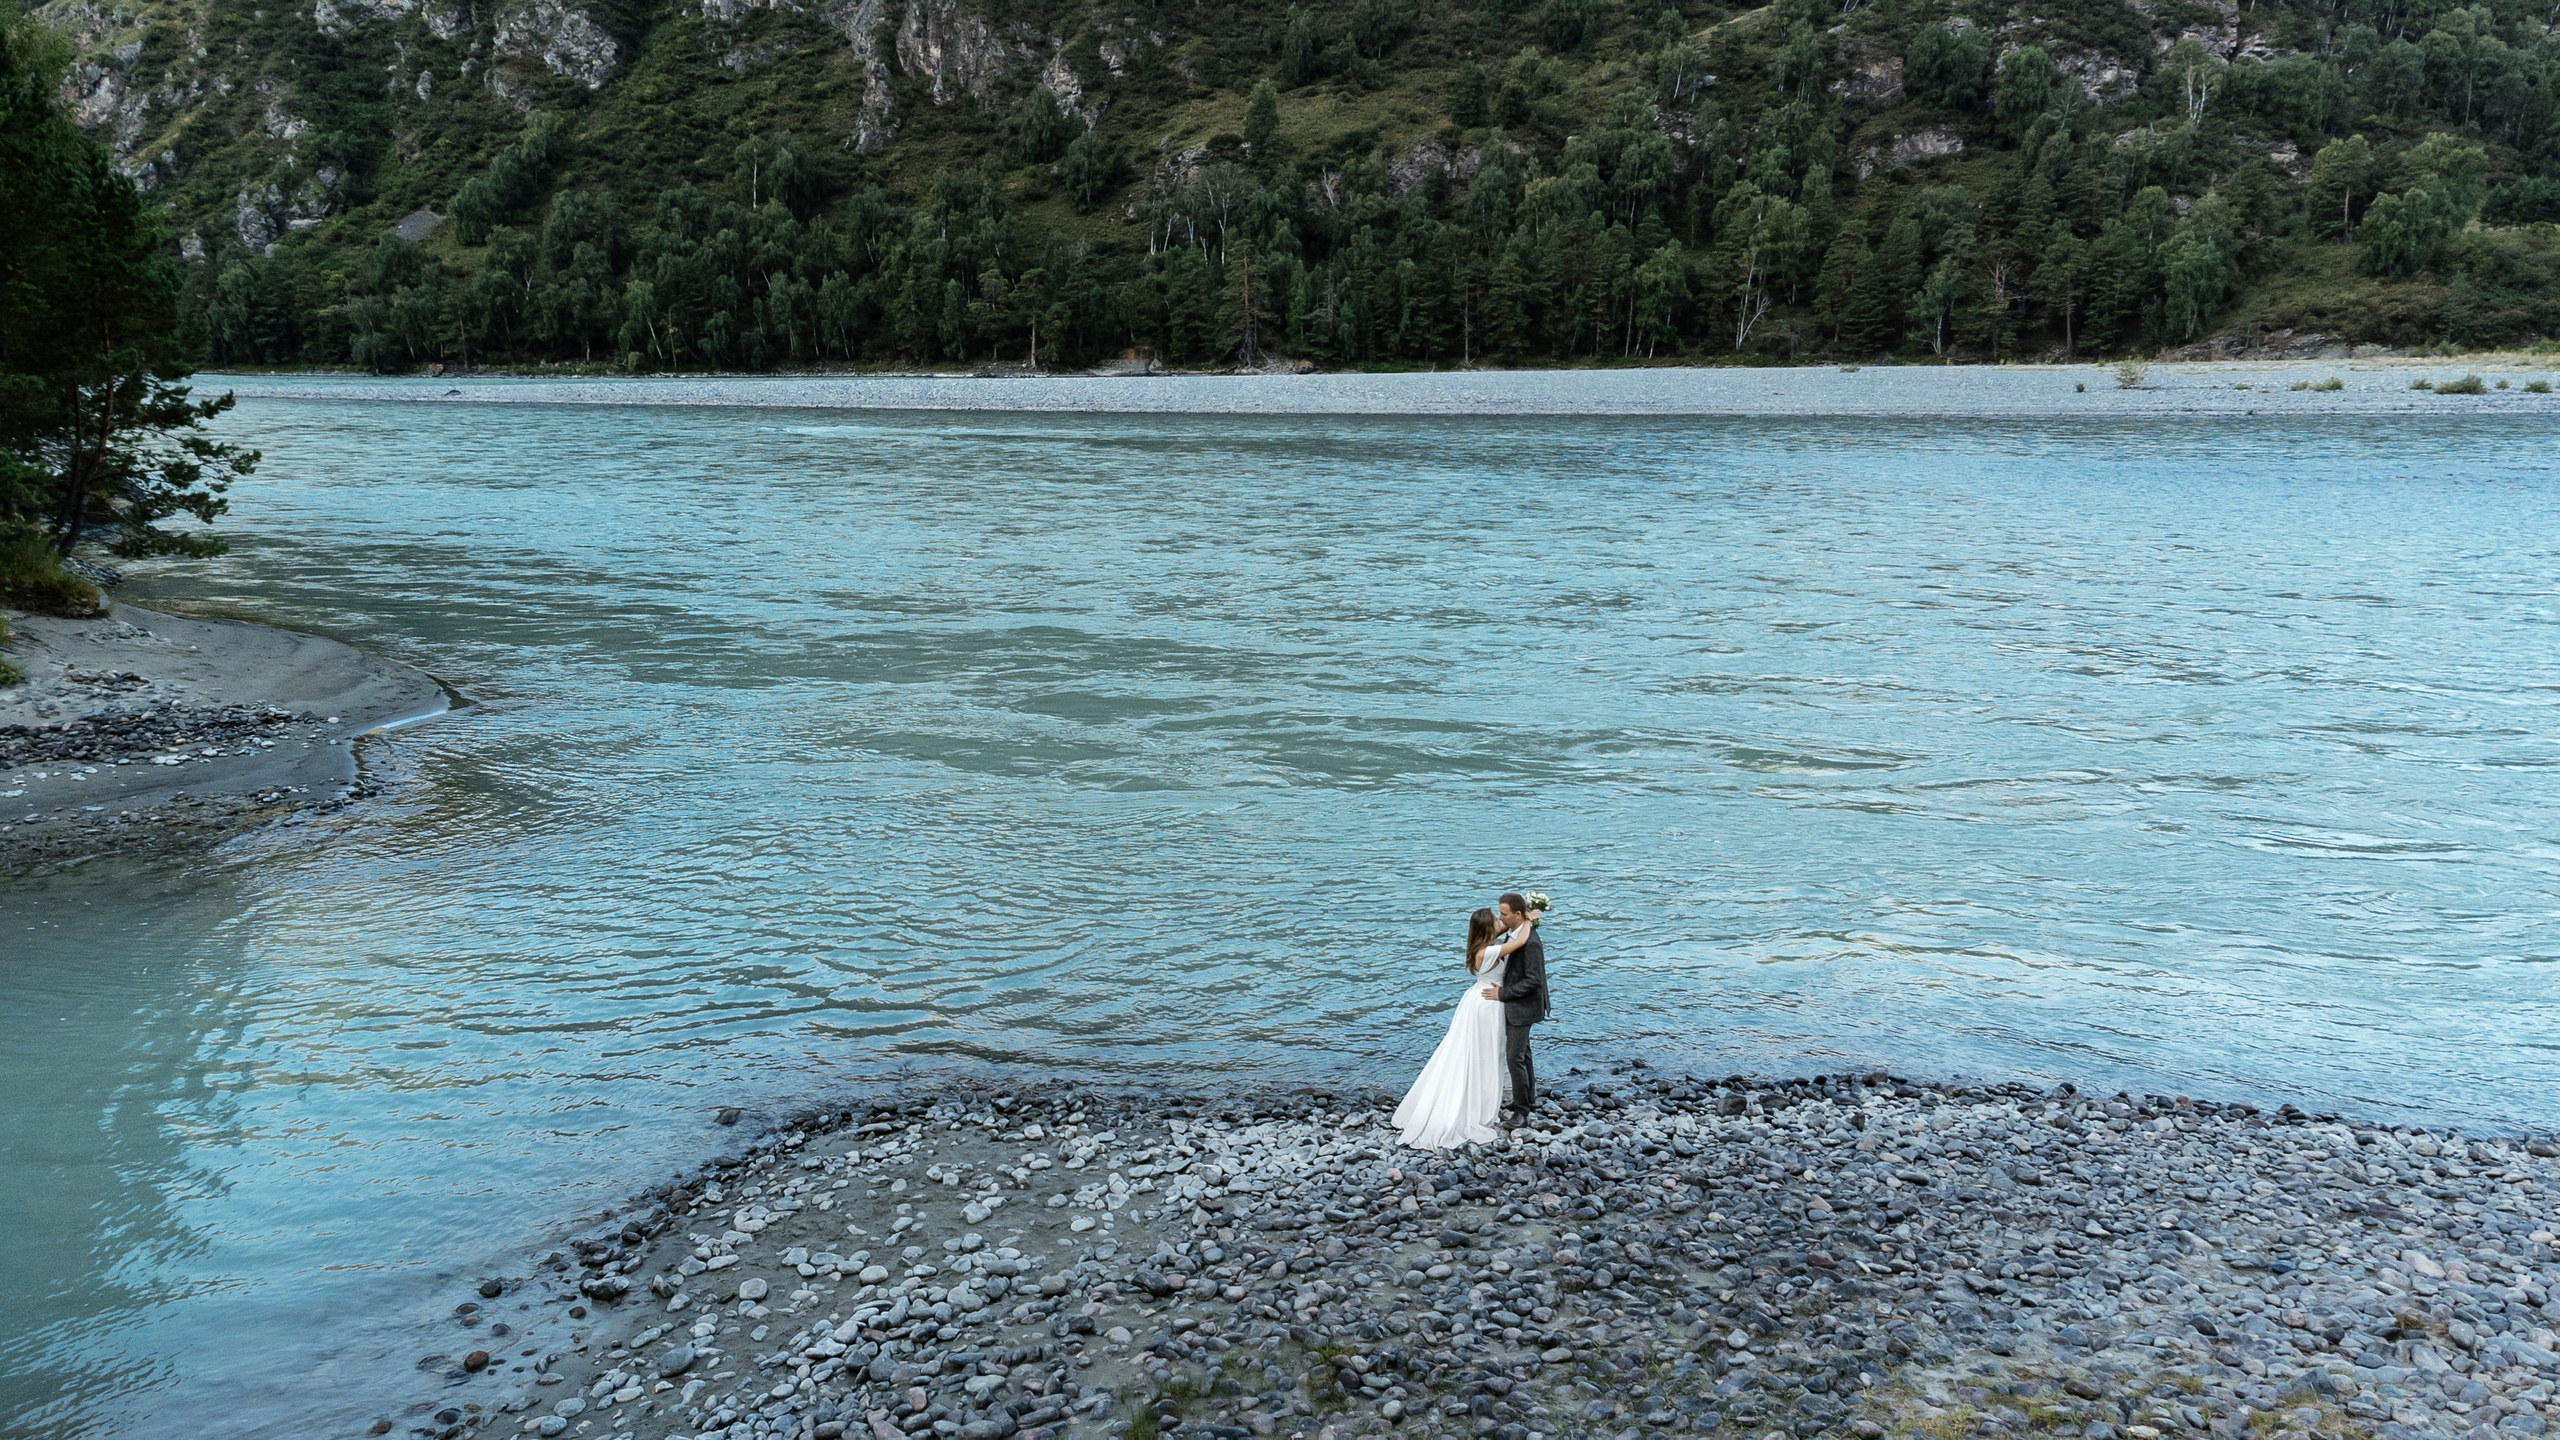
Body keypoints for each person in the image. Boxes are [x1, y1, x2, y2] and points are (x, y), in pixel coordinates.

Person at [1390, 907, 1542, 1149]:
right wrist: (1529, 919)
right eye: (1496, 919)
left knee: (1468, 1050)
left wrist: (1518, 918)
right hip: (1488, 1003)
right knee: (1487, 1054)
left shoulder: (1478, 946)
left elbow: (1505, 929)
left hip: (1475, 1001)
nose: (1500, 921)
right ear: (1487, 928)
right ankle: (1478, 1102)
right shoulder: (1491, 951)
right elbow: (1521, 939)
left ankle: (1499, 1096)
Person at [1481, 892, 1548, 1128]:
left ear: (1518, 914)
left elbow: (1534, 980)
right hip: (1517, 1006)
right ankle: (1528, 1100)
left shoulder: (1530, 943)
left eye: (1504, 914)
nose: (1500, 918)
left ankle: (1521, 1113)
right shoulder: (1514, 932)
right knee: (1524, 1053)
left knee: (1514, 1058)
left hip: (1523, 1007)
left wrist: (1502, 994)